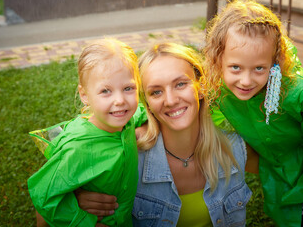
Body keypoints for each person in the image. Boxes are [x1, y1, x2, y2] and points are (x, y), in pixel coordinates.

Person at [203, 0, 303, 227]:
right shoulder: (216, 89)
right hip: (279, 171)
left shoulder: (302, 92)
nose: (246, 81)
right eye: (235, 67)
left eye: (259, 68)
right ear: (218, 58)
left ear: (275, 61)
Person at [76, 42, 253, 226]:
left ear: (201, 87)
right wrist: (74, 200)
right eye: (156, 92)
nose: (170, 100)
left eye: (180, 84)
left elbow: (281, 162)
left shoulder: (234, 147)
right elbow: (46, 208)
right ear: (146, 102)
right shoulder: (128, 157)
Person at [28, 38, 142, 227]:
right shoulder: (78, 148)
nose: (120, 100)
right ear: (84, 95)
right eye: (106, 91)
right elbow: (43, 196)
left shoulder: (126, 120)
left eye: (128, 88)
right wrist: (87, 223)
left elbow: (141, 112)